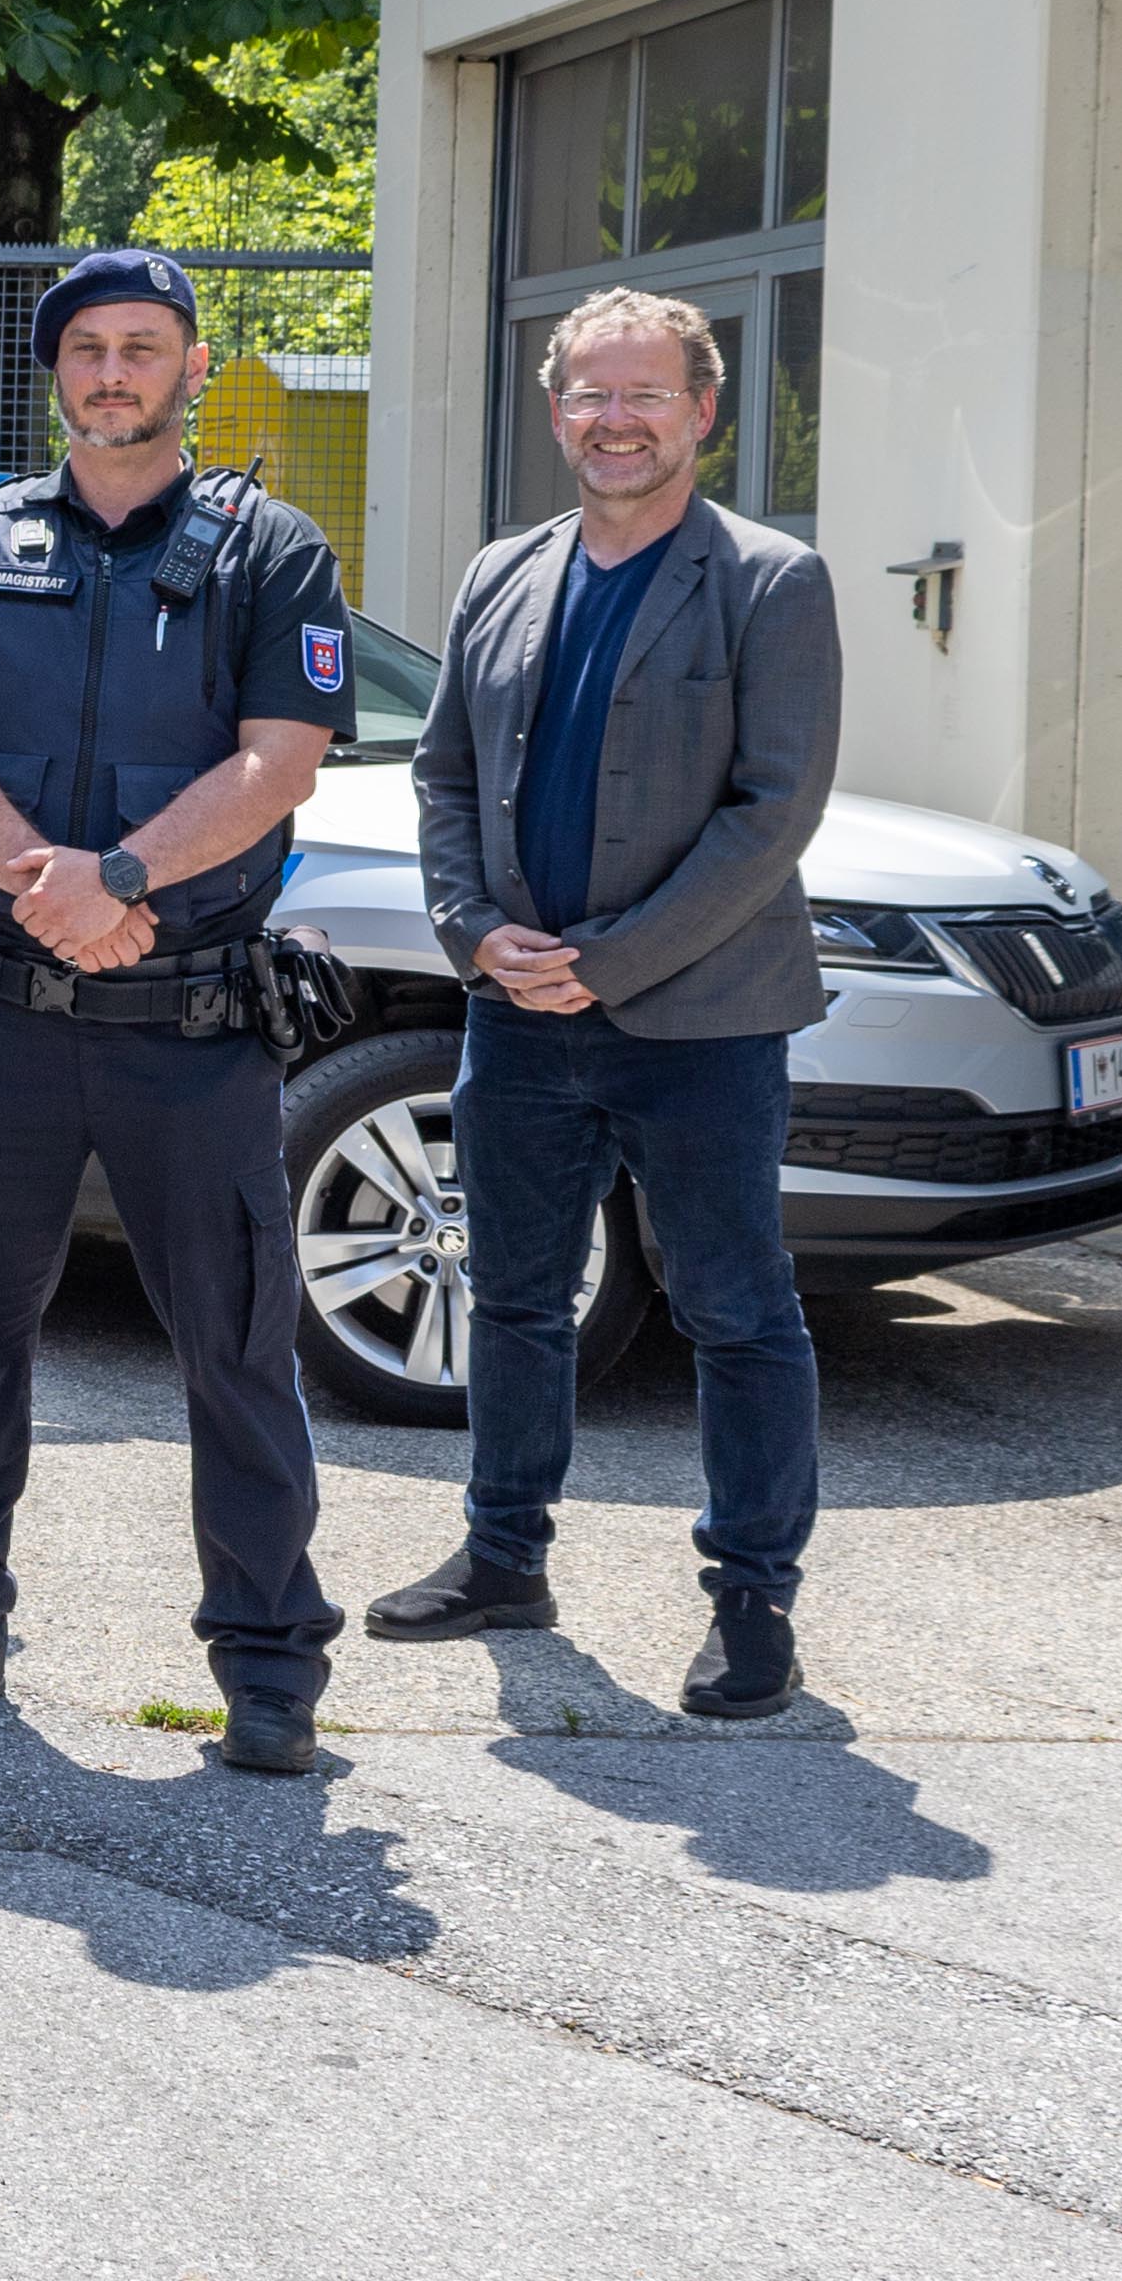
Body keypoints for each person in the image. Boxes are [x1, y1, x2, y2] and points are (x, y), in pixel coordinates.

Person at [0, 248, 356, 1776]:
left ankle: (267, 1667)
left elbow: (281, 759)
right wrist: (39, 880)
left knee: (235, 1352)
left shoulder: (270, 550)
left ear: (192, 366)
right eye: (86, 349)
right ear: (54, 373)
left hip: (185, 1024)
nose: (114, 371)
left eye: (144, 346)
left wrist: (121, 873)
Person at [382, 286, 843, 1721]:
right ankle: (502, 1557)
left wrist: (613, 956)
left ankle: (752, 1596)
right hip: (515, 1011)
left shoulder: (769, 580)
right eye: (589, 392)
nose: (615, 417)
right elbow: (442, 776)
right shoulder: (499, 573)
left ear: (700, 411)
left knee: (732, 1309)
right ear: (555, 408)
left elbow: (771, 813)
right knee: (512, 1298)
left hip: (699, 1018)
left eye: (645, 393)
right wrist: (469, 930)